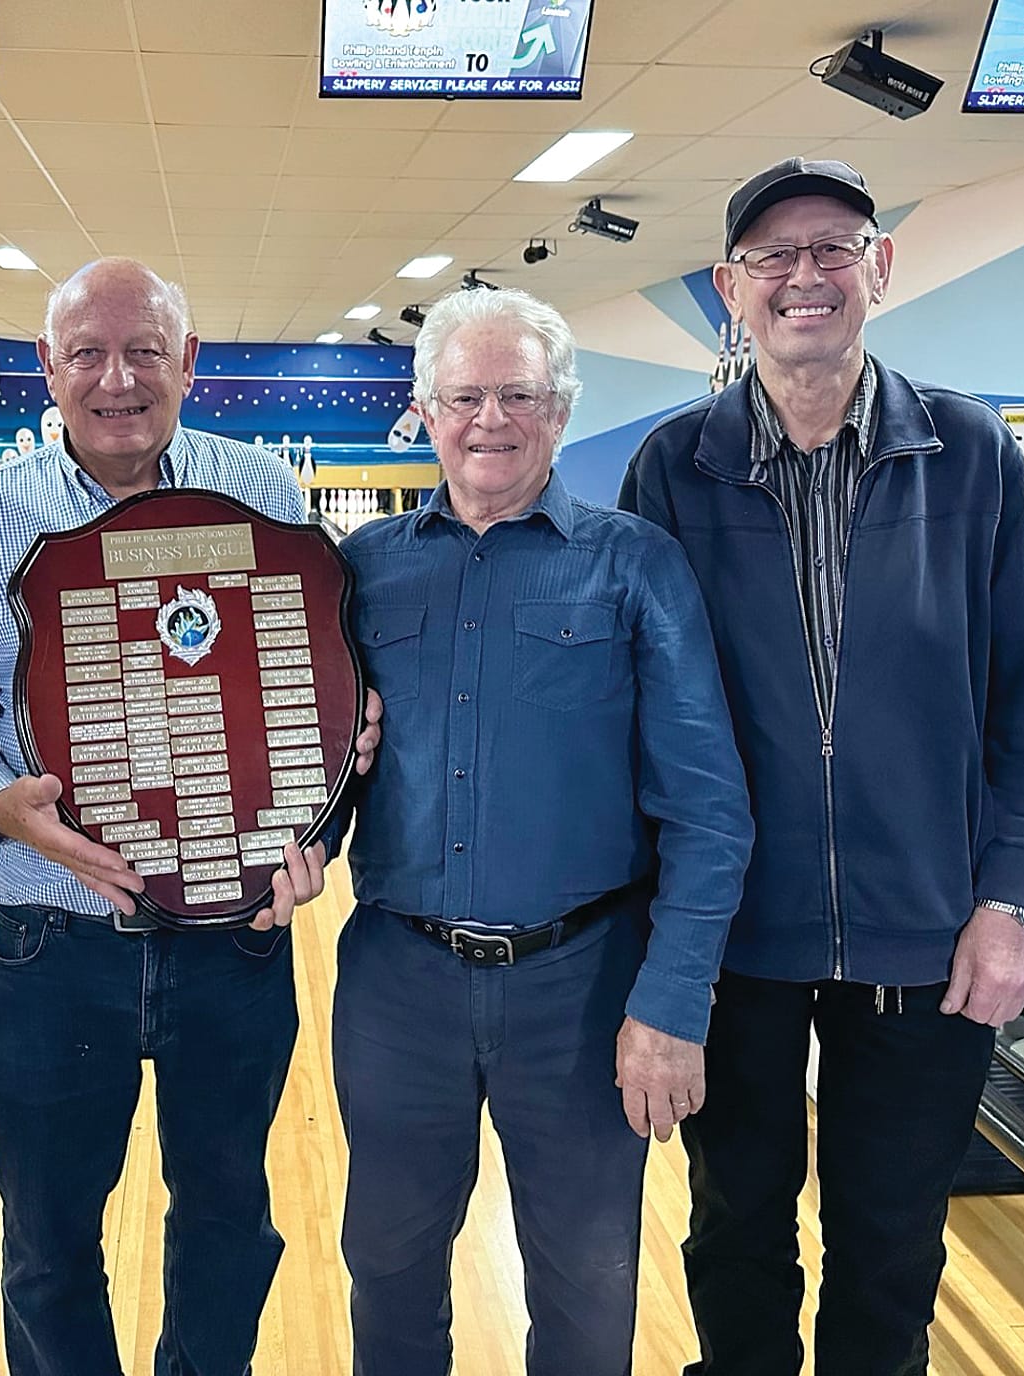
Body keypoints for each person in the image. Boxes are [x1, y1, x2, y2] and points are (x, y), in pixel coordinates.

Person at [619, 157, 1024, 1376]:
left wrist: (1007, 898)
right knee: (734, 1224)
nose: (803, 276)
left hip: (925, 932)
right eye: (771, 256)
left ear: (878, 266)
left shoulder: (967, 451)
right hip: (735, 932)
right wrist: (660, 942)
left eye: (832, 247)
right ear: (730, 287)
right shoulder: (673, 466)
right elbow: (636, 714)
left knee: (889, 1241)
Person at [0, 256, 382, 1376]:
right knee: (46, 1242)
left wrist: (323, 811)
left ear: (188, 361)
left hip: (233, 937)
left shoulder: (262, 490)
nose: (116, 379)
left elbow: (320, 694)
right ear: (47, 365)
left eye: (144, 352)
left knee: (228, 1220)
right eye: (87, 354)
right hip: (52, 938)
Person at [330, 285, 754, 1375]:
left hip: (583, 984)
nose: (490, 419)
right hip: (397, 982)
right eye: (463, 396)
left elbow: (707, 807)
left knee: (584, 1283)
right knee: (385, 1265)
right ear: (426, 410)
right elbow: (318, 765)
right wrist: (271, 853)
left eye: (517, 394)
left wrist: (672, 1002)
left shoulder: (633, 563)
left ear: (559, 409)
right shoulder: (361, 568)